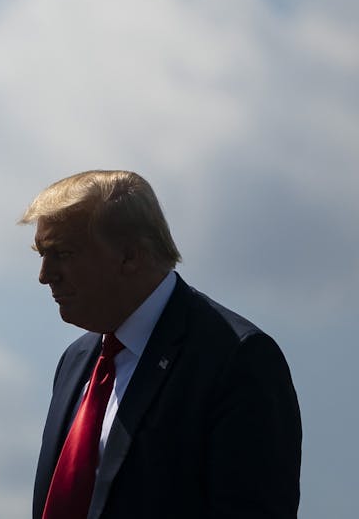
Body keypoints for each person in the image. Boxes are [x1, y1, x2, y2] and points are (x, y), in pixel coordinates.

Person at [19, 170, 301, 519]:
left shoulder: (236, 359)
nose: (45, 275)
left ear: (130, 256)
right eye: (42, 254)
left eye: (61, 253)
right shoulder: (76, 361)